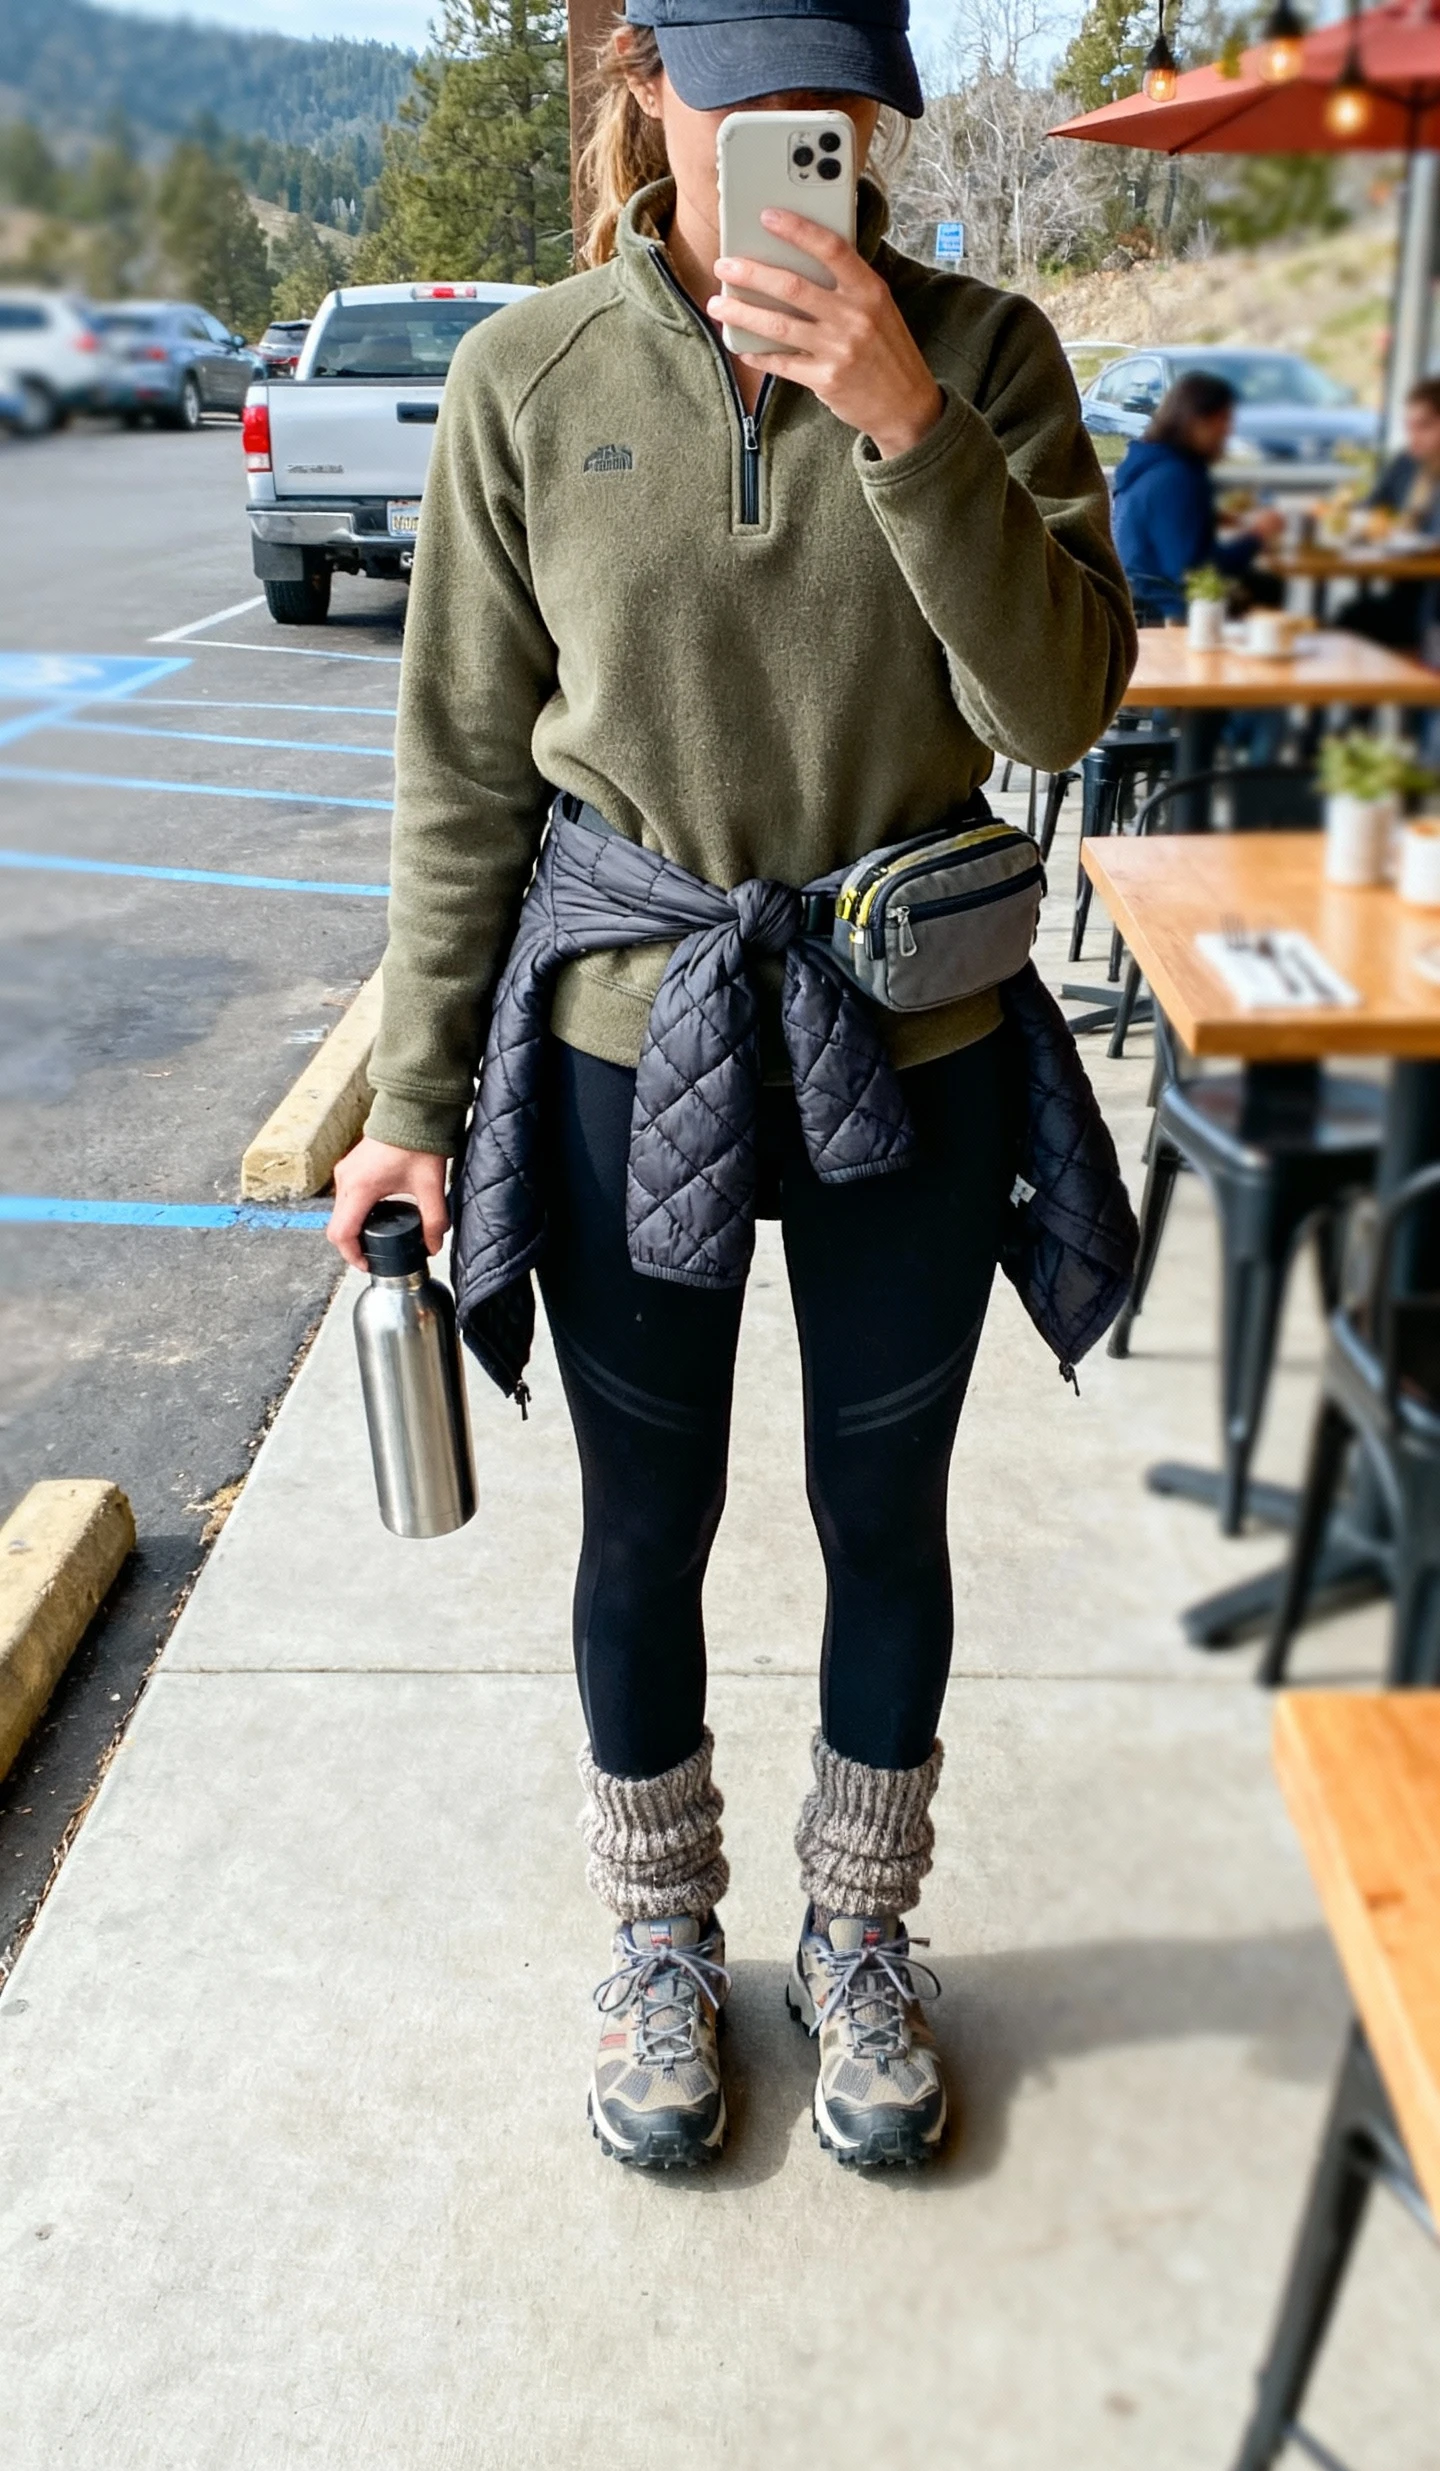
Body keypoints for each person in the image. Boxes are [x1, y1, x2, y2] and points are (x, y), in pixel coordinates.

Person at [328, 0, 1135, 2173]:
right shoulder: (526, 375)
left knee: (883, 1513)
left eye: (835, 99)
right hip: (627, 1034)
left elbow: (1057, 705)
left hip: (915, 1035)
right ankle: (662, 1932)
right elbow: (467, 775)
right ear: (645, 96)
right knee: (644, 1522)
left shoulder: (987, 353)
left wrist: (903, 424)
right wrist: (412, 1094)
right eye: (743, 91)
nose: (796, 134)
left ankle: (862, 1934)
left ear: (880, 113)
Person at [1111, 370, 1284, 625]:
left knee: (1264, 584)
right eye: (1222, 420)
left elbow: (1164, 527)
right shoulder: (1177, 477)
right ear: (1195, 421)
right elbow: (1194, 572)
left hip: (1143, 597)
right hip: (1171, 610)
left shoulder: (1152, 464)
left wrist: (1209, 517)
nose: (1227, 431)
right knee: (1268, 588)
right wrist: (1257, 536)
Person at [1336, 376, 1440, 656]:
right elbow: (1371, 509)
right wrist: (1344, 513)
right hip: (1404, 593)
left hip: (1432, 605)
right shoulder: (1406, 463)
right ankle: (1360, 698)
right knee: (1347, 620)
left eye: (1425, 426)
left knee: (1353, 622)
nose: (1413, 436)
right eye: (1410, 426)